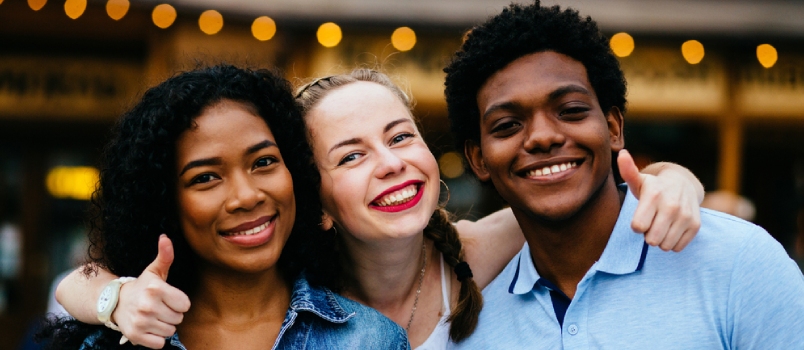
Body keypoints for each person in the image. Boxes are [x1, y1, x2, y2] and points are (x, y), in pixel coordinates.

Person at [57, 67, 703, 349]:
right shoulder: (295, 292)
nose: (391, 162)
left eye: (400, 138)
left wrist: (675, 179)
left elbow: (596, 195)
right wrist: (113, 300)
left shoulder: (476, 250)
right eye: (351, 155)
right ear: (319, 204)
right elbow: (81, 284)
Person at [443, 1, 804, 348]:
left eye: (570, 110)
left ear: (614, 128)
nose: (543, 137)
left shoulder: (738, 264)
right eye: (507, 125)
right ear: (478, 159)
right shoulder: (469, 325)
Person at [40, 65, 410, 349]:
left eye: (263, 162)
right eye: (205, 178)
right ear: (163, 200)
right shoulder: (116, 340)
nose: (246, 196)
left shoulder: (372, 339)